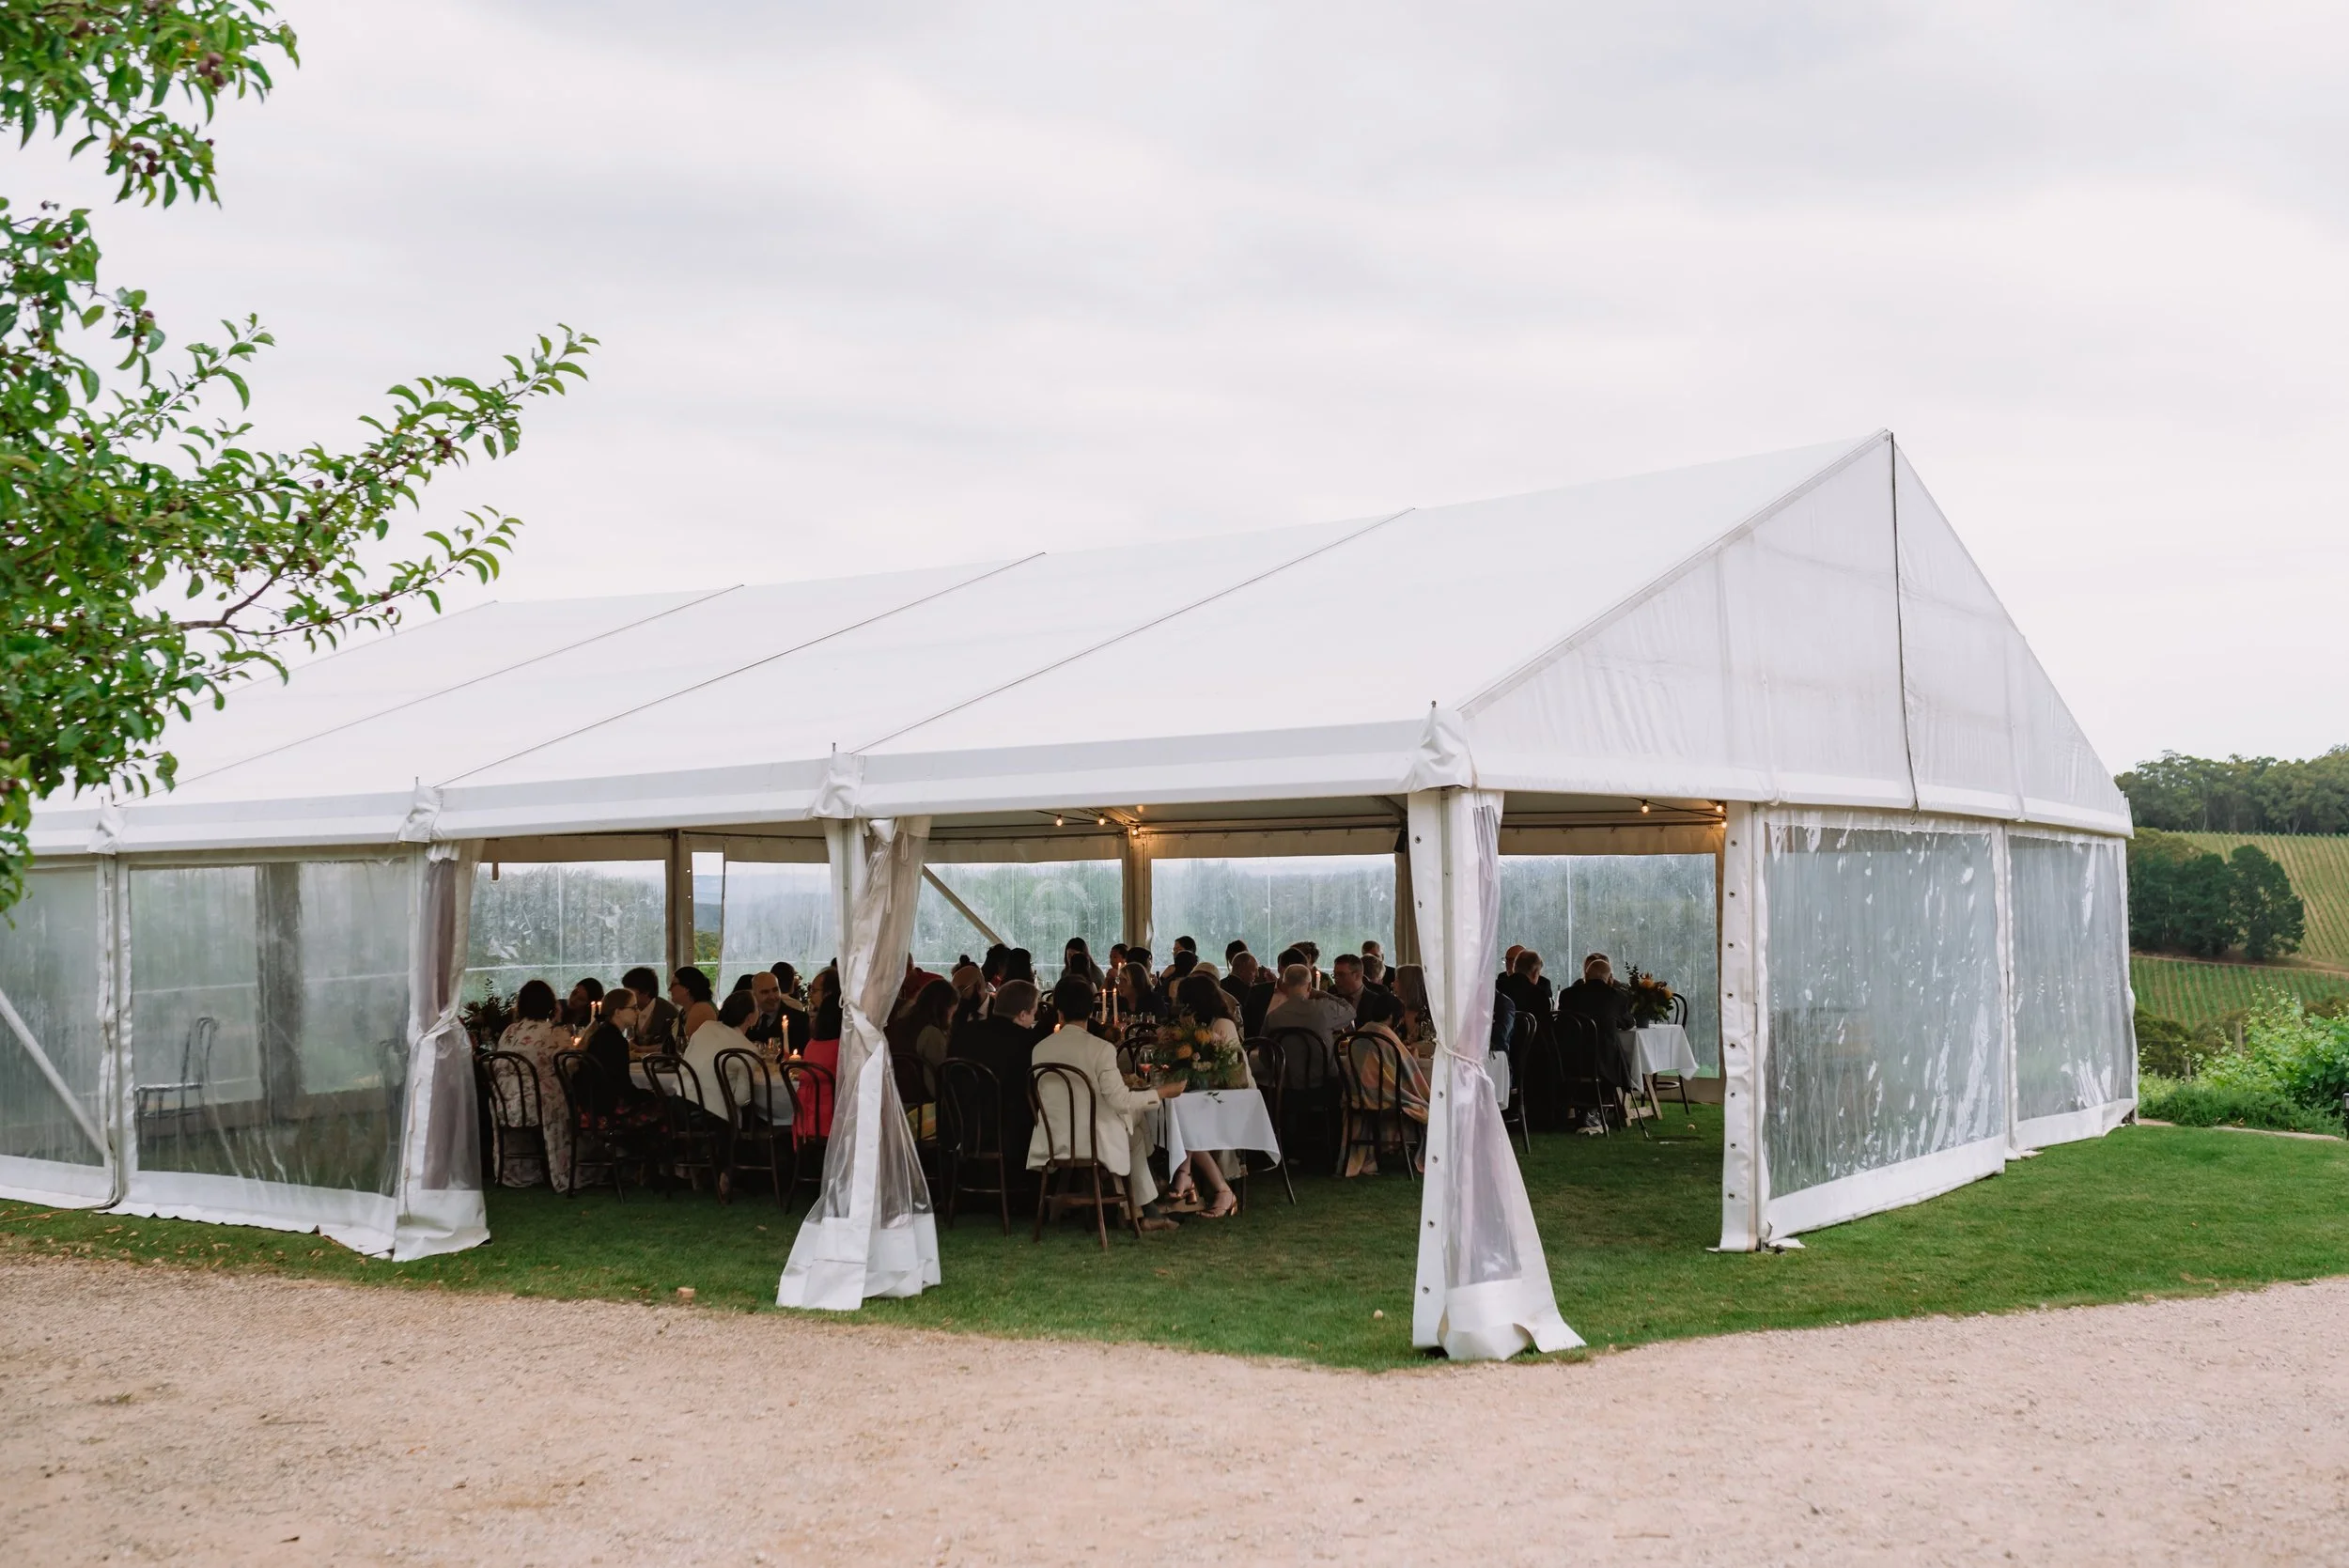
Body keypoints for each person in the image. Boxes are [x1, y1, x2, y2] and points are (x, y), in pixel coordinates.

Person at [1026, 975, 1184, 1231]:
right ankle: (1147, 1200)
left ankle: (1144, 1204)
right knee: (1133, 1125)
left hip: (1053, 1139)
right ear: (1091, 1011)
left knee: (1132, 1123)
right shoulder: (1101, 1049)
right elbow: (1121, 1100)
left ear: (1059, 1010)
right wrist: (1161, 1092)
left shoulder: (1040, 1049)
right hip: (1093, 1139)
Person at [1160, 972, 1251, 1219]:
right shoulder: (1194, 1023)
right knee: (1182, 1112)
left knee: (1184, 1117)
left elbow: (1226, 1071)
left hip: (1233, 1097)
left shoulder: (1222, 1024)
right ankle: (1188, 1177)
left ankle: (1202, 1182)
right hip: (1205, 1095)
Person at [948, 976, 1047, 1170]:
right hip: (1009, 1133)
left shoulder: (964, 1032)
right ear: (1022, 1014)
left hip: (962, 1125)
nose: (1034, 1019)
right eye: (1034, 1012)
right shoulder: (1030, 1043)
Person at [492, 979, 566, 1188]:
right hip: (538, 1104)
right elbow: (570, 1065)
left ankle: (519, 1172)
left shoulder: (509, 1032)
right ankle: (560, 1168)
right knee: (567, 1096)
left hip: (505, 1103)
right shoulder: (554, 1033)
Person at [679, 989, 761, 1132]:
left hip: (681, 1107)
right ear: (750, 1017)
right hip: (716, 1118)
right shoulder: (747, 1049)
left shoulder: (706, 1027)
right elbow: (741, 1099)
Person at [1261, 962, 1352, 1088]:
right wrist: (1322, 994)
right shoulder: (1324, 1009)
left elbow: (1264, 1055)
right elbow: (1350, 1011)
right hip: (1324, 1085)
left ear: (1284, 986)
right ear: (1310, 986)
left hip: (1286, 1086)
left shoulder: (1273, 1017)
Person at [796, 967, 844, 1138]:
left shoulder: (817, 1040)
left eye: (814, 990)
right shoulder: (843, 1040)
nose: (810, 995)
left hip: (810, 1120)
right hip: (835, 1120)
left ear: (829, 993)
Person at [1330, 952, 1405, 1032]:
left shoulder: (1376, 1002)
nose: (1336, 980)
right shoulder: (1331, 997)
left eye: (1341, 975)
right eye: (1335, 975)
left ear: (1358, 975)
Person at [622, 966, 682, 1054]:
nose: (626, 996)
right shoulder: (629, 1009)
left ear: (646, 992)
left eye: (629, 991)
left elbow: (673, 1045)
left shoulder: (668, 1012)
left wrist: (641, 1049)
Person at [669, 967, 719, 1038]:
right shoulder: (687, 1010)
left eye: (673, 985)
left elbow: (688, 1046)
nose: (670, 989)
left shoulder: (701, 1010)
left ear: (686, 988)